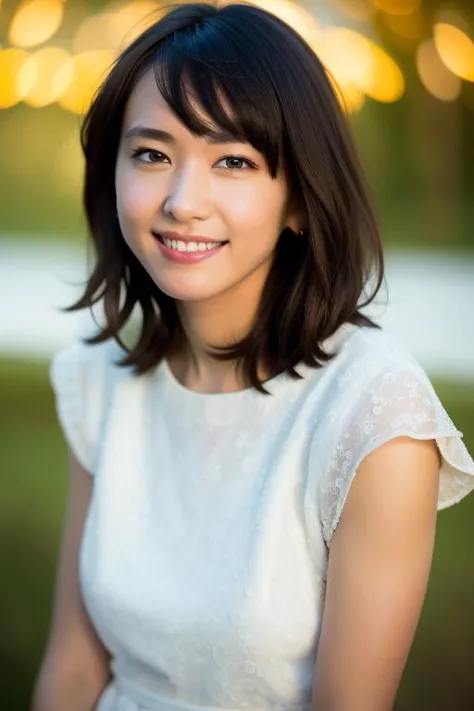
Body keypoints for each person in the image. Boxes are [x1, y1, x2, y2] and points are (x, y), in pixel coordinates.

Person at [32, 3, 474, 711]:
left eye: (233, 160)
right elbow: (74, 669)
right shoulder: (102, 380)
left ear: (300, 197)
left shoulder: (377, 417)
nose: (182, 200)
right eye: (152, 153)